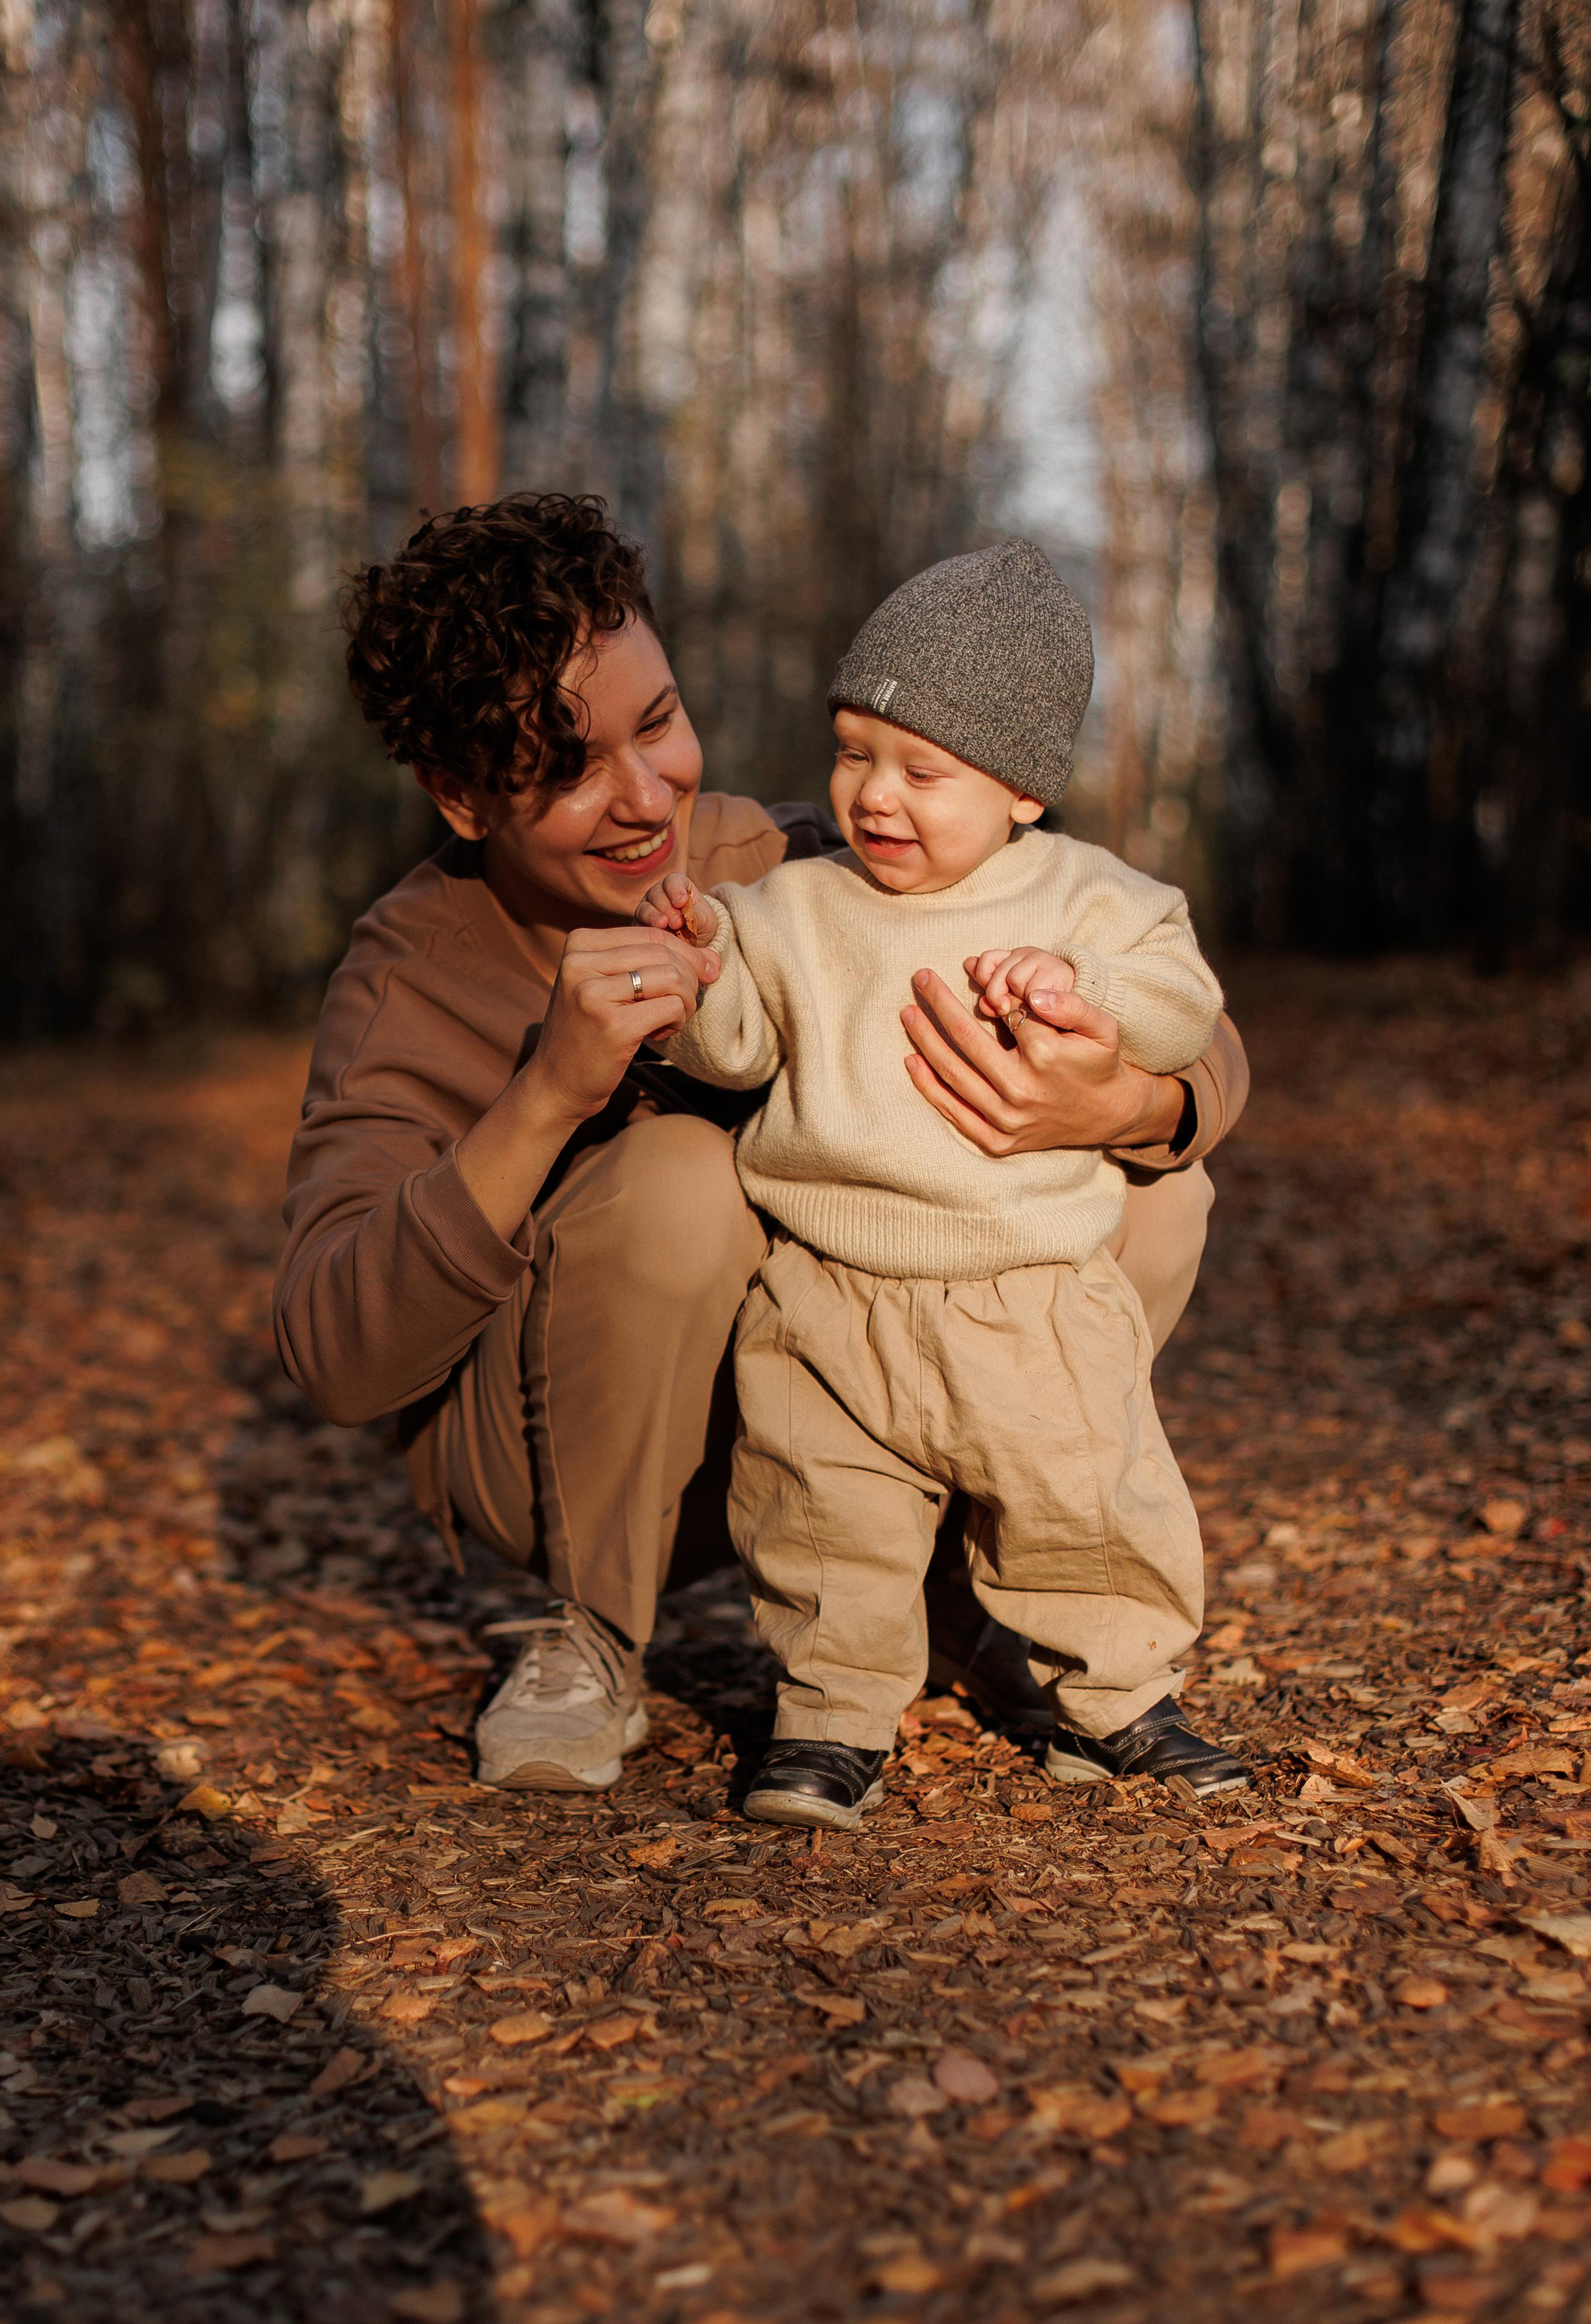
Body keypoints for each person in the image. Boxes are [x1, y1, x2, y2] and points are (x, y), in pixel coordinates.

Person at [273, 495, 1250, 1796]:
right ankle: (588, 1633)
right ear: (458, 797)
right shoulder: (413, 974)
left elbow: (1183, 1030)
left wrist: (1118, 1106)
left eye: (658, 722)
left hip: (835, 1393)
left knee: (1157, 1195)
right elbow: (337, 1357)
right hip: (550, 1453)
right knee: (685, 1176)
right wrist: (547, 1097)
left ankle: (953, 1572)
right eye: (565, 769)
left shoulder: (788, 859)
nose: (643, 799)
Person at [639, 541, 1248, 1829]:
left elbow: (1180, 1002)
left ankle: (1119, 1700)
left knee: (1084, 1499)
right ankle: (827, 1718)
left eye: (923, 769)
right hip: (826, 1292)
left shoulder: (1093, 900)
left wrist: (1090, 1003)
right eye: (853, 750)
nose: (874, 794)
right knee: (819, 1516)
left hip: (1024, 1291)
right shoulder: (794, 907)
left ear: (1022, 791)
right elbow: (736, 1041)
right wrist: (701, 967)